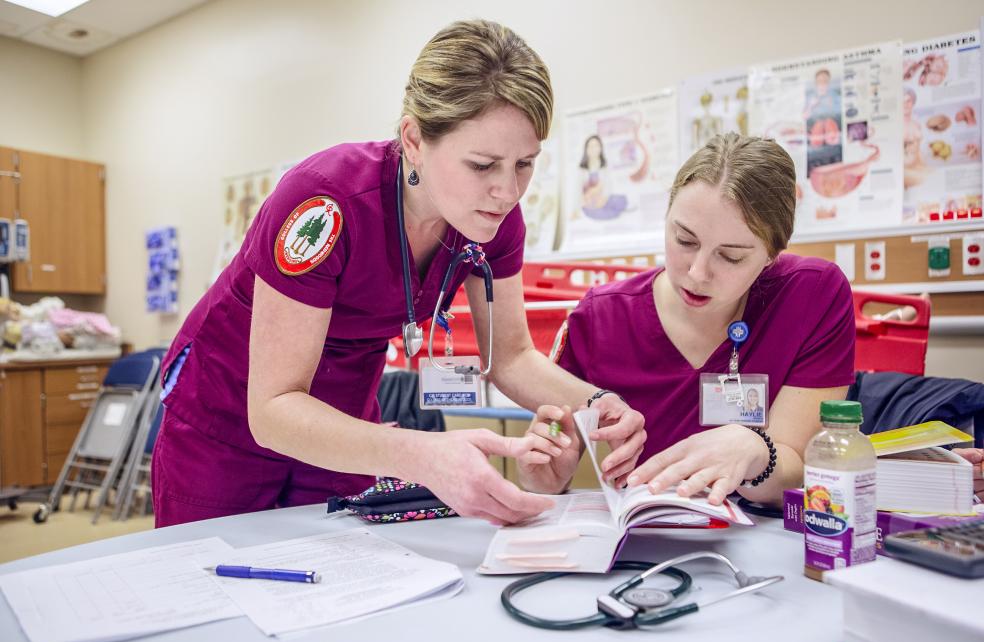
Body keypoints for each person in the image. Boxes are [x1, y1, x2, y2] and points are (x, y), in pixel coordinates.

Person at [151, 19, 646, 528]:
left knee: (343, 569)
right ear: (413, 139)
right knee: (214, 574)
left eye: (524, 163)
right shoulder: (323, 204)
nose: (508, 191)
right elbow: (274, 408)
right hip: (231, 405)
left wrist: (599, 404)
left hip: (342, 403)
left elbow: (513, 356)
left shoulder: (497, 222)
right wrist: (420, 453)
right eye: (482, 165)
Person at [518, 133, 855, 506]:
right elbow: (552, 458)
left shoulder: (811, 296)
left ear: (772, 255)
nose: (697, 272)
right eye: (684, 240)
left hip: (762, 540)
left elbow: (797, 470)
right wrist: (544, 480)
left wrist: (755, 452)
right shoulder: (603, 318)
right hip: (648, 547)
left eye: (731, 256)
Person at [578, 135, 628, 220]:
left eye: (596, 145)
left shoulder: (604, 167)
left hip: (602, 199)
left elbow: (608, 185)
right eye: (590, 146)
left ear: (600, 148)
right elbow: (578, 190)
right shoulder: (582, 170)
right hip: (588, 202)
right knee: (599, 211)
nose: (593, 149)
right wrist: (584, 200)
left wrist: (604, 199)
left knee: (620, 201)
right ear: (586, 149)